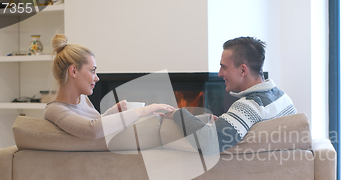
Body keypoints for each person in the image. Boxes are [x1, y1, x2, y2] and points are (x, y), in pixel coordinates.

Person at [168, 36, 297, 153]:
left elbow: (207, 143)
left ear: (242, 70)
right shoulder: (282, 97)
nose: (219, 73)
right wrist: (225, 123)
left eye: (224, 67)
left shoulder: (249, 106)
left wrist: (177, 113)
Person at [44, 34, 175, 139]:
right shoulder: (55, 110)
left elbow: (96, 123)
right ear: (73, 71)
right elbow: (93, 130)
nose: (97, 77)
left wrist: (113, 112)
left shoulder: (82, 99)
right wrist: (142, 110)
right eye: (92, 70)